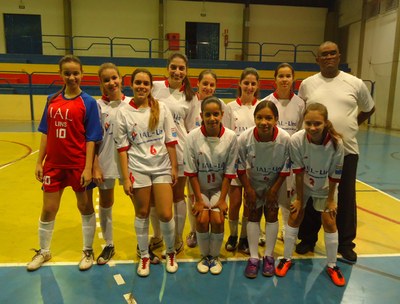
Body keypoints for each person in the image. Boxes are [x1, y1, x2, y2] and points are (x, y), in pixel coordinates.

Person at [296, 41, 375, 262]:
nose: (329, 57)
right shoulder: (307, 85)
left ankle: (346, 243)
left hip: (347, 151)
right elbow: (303, 112)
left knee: (346, 198)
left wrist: (351, 126)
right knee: (312, 196)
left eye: (333, 53)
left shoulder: (355, 83)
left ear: (339, 56)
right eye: (324, 54)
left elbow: (369, 108)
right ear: (317, 59)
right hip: (313, 151)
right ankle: (307, 239)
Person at [27, 54, 102, 271]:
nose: (72, 77)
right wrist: (40, 161)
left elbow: (91, 138)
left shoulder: (88, 102)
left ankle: (88, 250)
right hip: (54, 165)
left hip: (78, 164)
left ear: (82, 74)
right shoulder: (52, 100)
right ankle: (44, 251)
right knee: (49, 208)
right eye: (67, 73)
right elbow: (45, 132)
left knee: (85, 206)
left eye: (75, 73)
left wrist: (88, 167)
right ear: (60, 74)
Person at [114, 68, 178, 277]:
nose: (142, 86)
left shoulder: (162, 108)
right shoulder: (123, 112)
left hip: (161, 167)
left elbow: (170, 141)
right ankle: (144, 255)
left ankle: (170, 252)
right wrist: (125, 178)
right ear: (131, 85)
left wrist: (174, 167)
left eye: (145, 83)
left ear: (151, 86)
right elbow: (122, 149)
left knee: (166, 213)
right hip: (138, 168)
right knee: (141, 213)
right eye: (138, 83)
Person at [275, 103, 346, 287]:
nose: (312, 128)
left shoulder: (337, 144)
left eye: (317, 123)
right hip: (303, 184)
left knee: (329, 220)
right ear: (303, 122)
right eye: (308, 123)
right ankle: (287, 258)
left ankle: (332, 265)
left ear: (325, 123)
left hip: (325, 187)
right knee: (295, 215)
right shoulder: (297, 140)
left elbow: (334, 176)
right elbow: (298, 172)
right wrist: (299, 198)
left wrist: (330, 200)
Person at [184, 96, 238, 275]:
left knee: (217, 219)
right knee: (201, 218)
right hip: (199, 188)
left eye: (216, 114)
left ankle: (214, 256)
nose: (212, 118)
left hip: (218, 188)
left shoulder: (231, 137)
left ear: (222, 115)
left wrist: (222, 200)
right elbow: (191, 173)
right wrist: (198, 200)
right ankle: (204, 255)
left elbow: (229, 172)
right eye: (208, 114)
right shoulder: (192, 137)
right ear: (201, 115)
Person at [237, 100, 291, 278]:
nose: (264, 122)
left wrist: (274, 190)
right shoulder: (244, 138)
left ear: (276, 119)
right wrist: (248, 189)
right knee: (252, 214)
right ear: (254, 119)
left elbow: (286, 167)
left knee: (272, 214)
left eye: (269, 118)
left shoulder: (285, 139)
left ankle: (268, 256)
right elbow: (238, 166)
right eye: (259, 117)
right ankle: (253, 258)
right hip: (253, 182)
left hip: (276, 182)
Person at [151, 52, 198, 255]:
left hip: (178, 151)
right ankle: (158, 236)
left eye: (181, 68)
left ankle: (178, 239)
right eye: (174, 67)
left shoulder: (190, 96)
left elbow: (191, 129)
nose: (177, 71)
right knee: (155, 197)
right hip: (153, 151)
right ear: (167, 68)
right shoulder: (154, 87)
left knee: (178, 197)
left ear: (186, 72)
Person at [87, 63, 131, 265]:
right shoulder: (96, 106)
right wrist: (95, 165)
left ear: (121, 78)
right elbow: (92, 139)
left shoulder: (132, 104)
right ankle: (109, 244)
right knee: (106, 203)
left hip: (131, 163)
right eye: (106, 80)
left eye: (114, 78)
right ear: (101, 84)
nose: (111, 82)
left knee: (141, 205)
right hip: (105, 163)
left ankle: (144, 245)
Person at [186, 69, 230, 248]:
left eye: (212, 85)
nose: (208, 87)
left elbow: (227, 131)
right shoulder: (191, 103)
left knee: (216, 214)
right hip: (195, 154)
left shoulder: (221, 105)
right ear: (198, 83)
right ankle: (194, 230)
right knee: (194, 200)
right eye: (205, 83)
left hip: (215, 158)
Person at [261, 63, 305, 241]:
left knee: (289, 195)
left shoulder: (300, 104)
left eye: (288, 76)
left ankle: (287, 230)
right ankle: (264, 231)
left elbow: (302, 130)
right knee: (269, 195)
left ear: (293, 79)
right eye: (281, 76)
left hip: (293, 158)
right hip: (271, 157)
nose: (284, 79)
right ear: (275, 79)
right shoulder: (267, 102)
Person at [224, 67, 261, 254]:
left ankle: (245, 237)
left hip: (253, 165)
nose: (249, 86)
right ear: (240, 84)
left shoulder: (261, 106)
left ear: (257, 86)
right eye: (246, 82)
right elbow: (227, 137)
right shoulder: (230, 107)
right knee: (235, 202)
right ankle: (233, 235)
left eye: (253, 83)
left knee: (249, 203)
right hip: (235, 162)